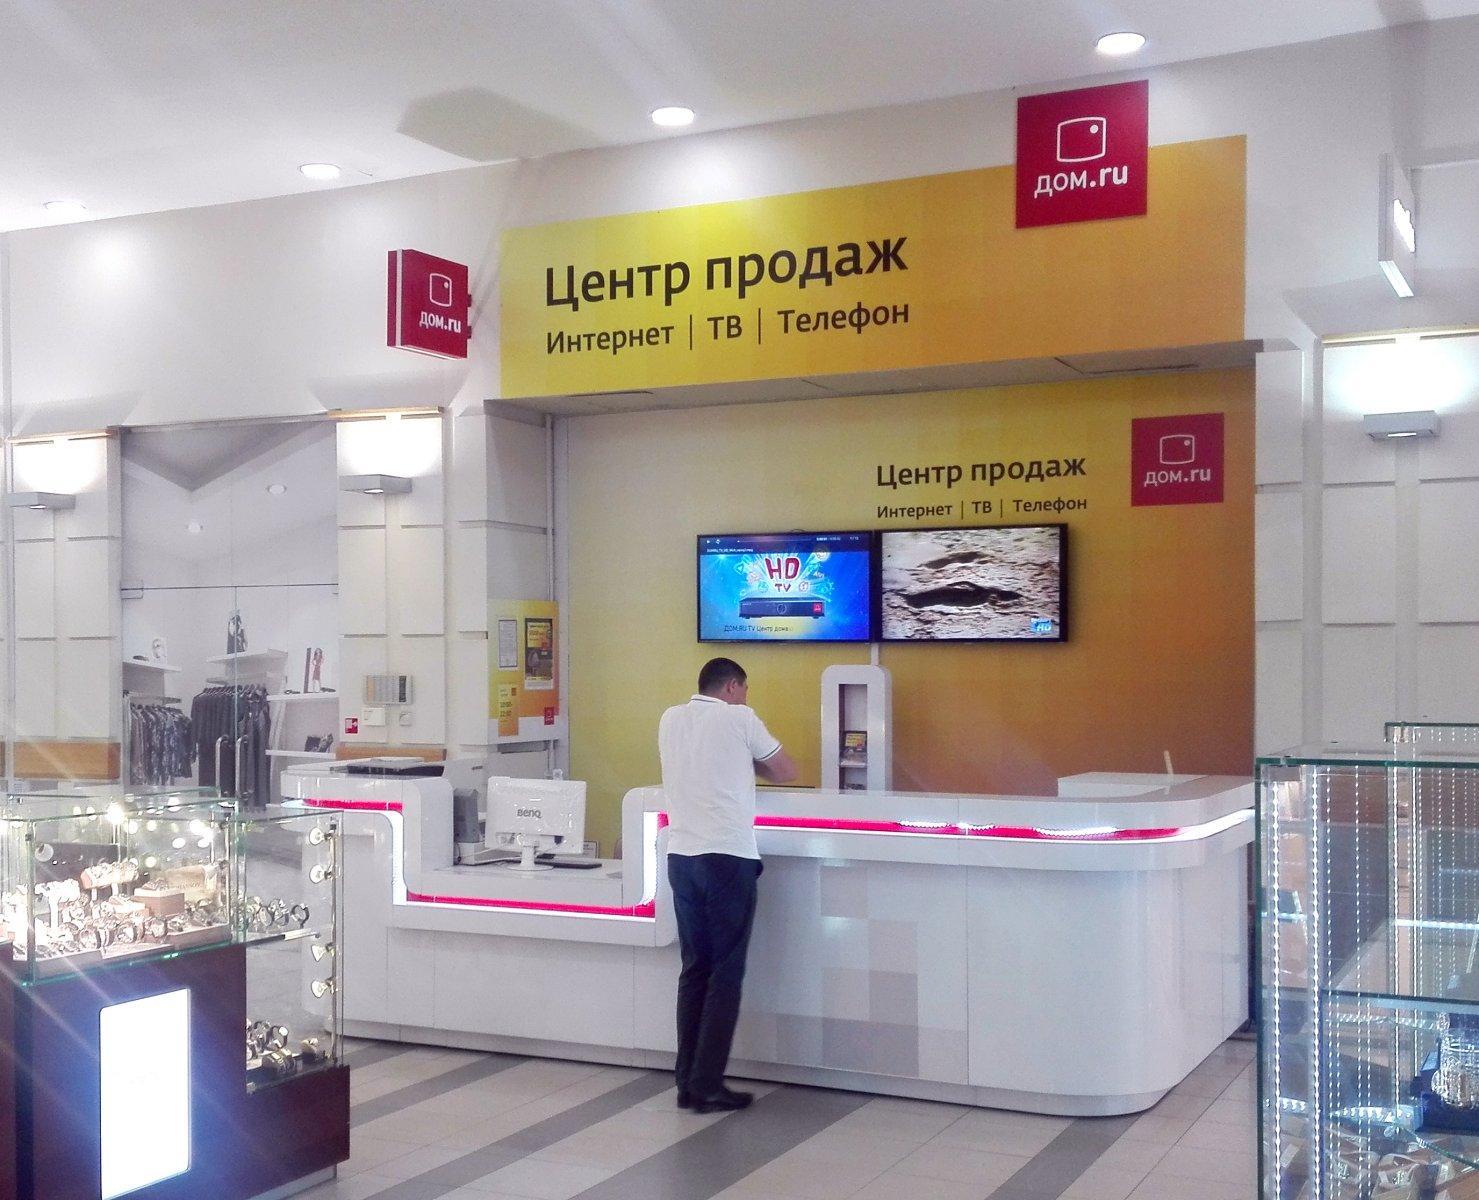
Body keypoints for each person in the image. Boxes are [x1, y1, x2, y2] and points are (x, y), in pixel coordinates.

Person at [658, 657, 797, 1113]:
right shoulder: (741, 719)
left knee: (695, 968)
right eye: (745, 690)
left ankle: (687, 1082)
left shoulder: (670, 719)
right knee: (725, 973)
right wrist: (747, 762)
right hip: (727, 858)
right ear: (733, 686)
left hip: (681, 857)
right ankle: (708, 1085)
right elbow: (786, 771)